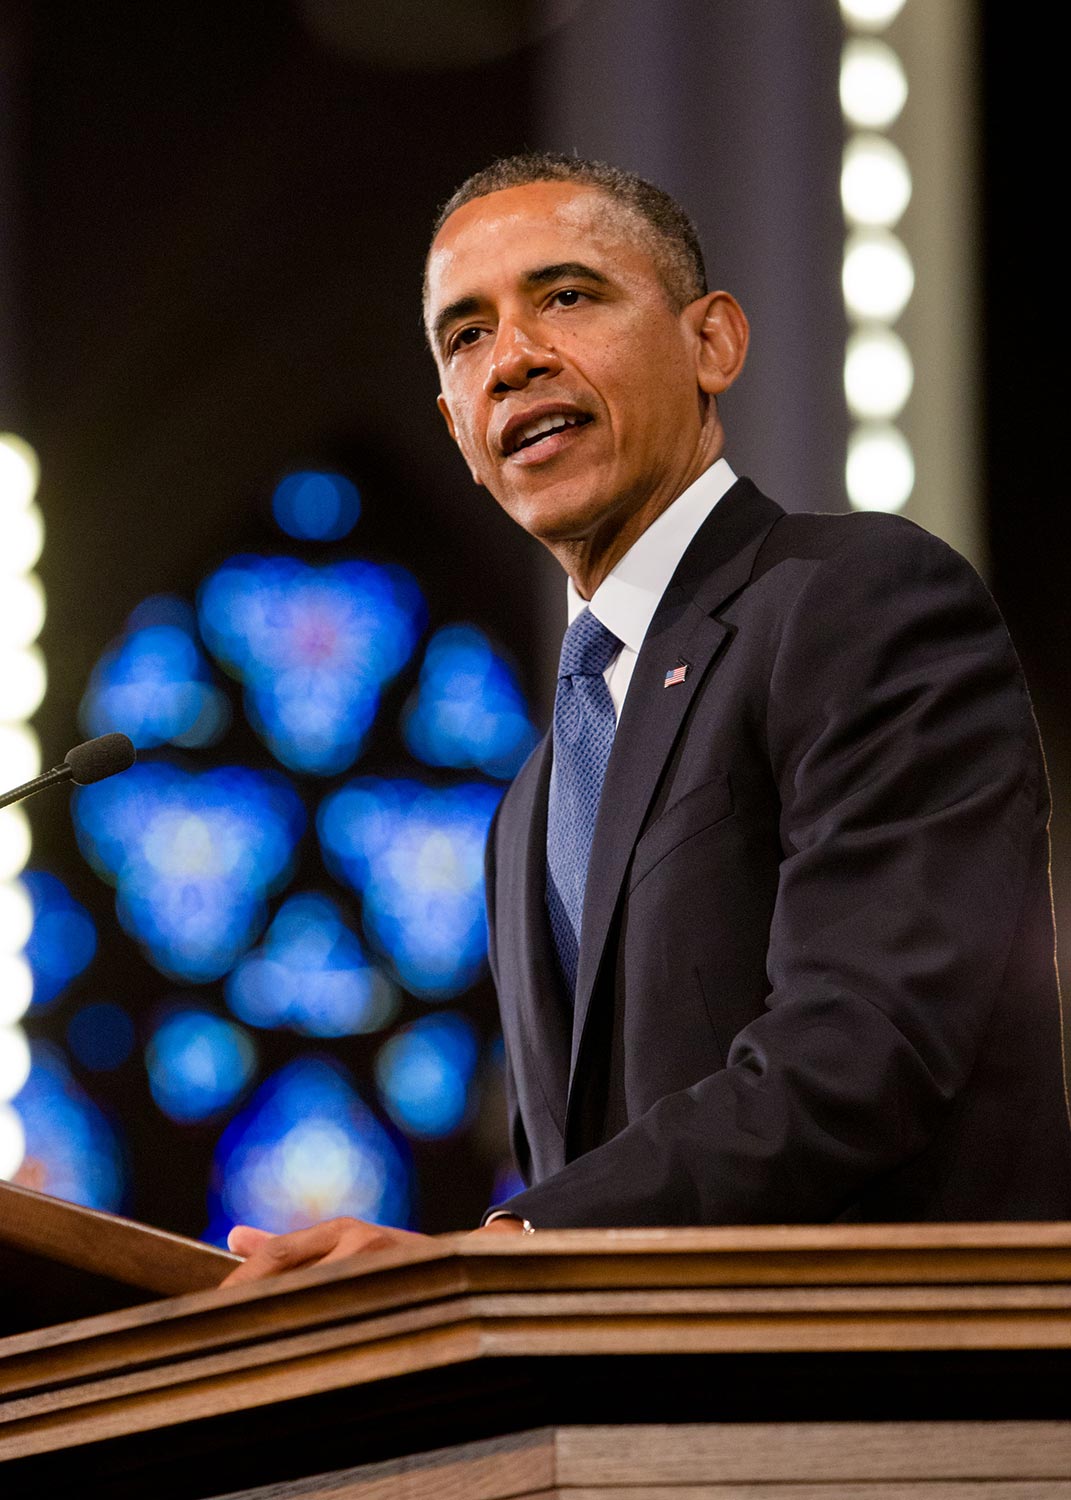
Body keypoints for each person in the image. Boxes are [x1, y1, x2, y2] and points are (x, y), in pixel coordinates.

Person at [222, 155, 1071, 1285]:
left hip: (886, 1364)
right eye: (466, 336)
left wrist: (507, 1250)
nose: (512, 358)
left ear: (711, 342)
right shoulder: (528, 808)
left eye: (566, 296)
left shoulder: (857, 600)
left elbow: (865, 1042)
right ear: (456, 429)